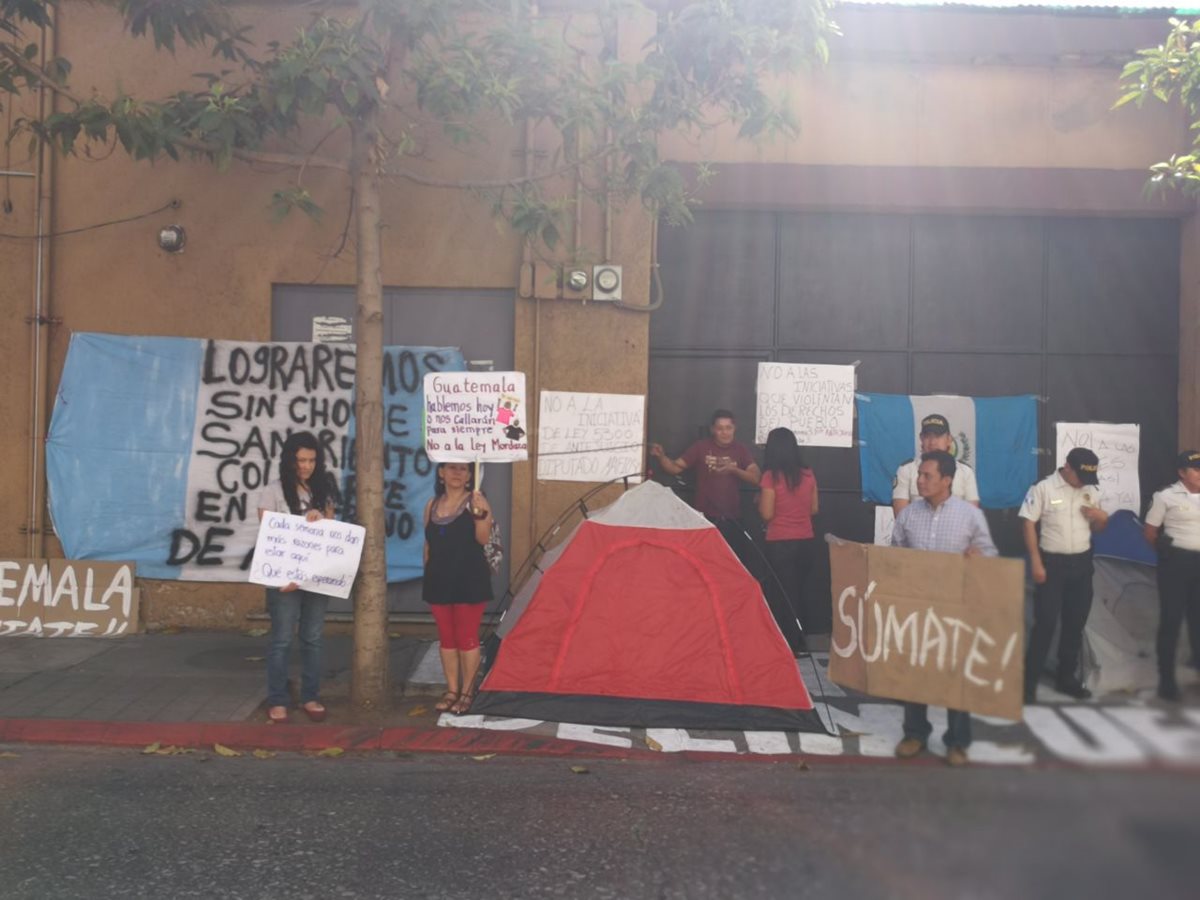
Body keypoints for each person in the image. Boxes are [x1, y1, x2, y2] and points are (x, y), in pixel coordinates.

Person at [891, 451, 998, 767]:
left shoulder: (969, 516)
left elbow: (990, 554)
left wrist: (979, 558)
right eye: (919, 475)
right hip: (918, 609)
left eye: (927, 476)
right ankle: (915, 733)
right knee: (915, 673)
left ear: (947, 481)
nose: (919, 481)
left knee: (956, 677)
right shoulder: (908, 516)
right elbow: (896, 556)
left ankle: (958, 741)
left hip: (956, 607)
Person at [257, 431, 341, 724]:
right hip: (284, 579)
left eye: (311, 460)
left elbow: (332, 535)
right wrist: (290, 573)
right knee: (281, 639)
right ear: (288, 461)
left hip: (316, 577)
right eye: (300, 460)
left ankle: (310, 696)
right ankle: (278, 699)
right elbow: (270, 536)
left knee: (313, 638)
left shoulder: (324, 490)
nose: (306, 466)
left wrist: (323, 520)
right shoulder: (273, 491)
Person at [1020, 447, 1108, 703]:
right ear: (1067, 467)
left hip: (1081, 564)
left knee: (1074, 624)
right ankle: (1028, 684)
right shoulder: (1043, 488)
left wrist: (1101, 517)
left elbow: (1099, 528)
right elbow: (1027, 523)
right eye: (1079, 475)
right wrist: (1036, 562)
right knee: (1044, 624)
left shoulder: (1091, 490)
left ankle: (1066, 678)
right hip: (1052, 564)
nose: (1082, 481)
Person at [423, 462, 494, 716]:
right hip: (438, 581)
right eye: (451, 468)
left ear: (469, 475)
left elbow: (483, 539)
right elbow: (428, 546)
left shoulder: (478, 502)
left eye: (463, 469)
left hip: (469, 581)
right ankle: (452, 690)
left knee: (467, 637)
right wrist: (428, 574)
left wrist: (480, 516)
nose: (457, 473)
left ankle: (467, 691)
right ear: (441, 472)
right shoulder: (431, 505)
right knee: (447, 638)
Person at [649, 409, 761, 565]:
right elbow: (674, 468)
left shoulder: (740, 450)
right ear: (713, 430)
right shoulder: (701, 447)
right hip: (705, 517)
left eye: (728, 428)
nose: (724, 432)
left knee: (730, 564)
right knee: (704, 563)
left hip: (733, 518)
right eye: (720, 428)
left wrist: (734, 469)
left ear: (734, 428)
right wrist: (661, 456)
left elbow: (755, 478)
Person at [1142, 450, 1200, 702]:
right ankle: (1166, 680)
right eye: (1196, 469)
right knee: (1171, 621)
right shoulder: (1165, 496)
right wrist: (1164, 553)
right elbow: (1150, 531)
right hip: (1176, 563)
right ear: (1181, 472)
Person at [757, 427, 819, 655]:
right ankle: (800, 641)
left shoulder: (770, 477)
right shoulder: (808, 474)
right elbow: (814, 508)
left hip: (779, 541)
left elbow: (766, 513)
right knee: (800, 592)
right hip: (806, 540)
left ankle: (785, 642)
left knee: (781, 595)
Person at [892, 413, 980, 515]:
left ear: (949, 439)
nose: (932, 442)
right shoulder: (906, 469)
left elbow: (972, 515)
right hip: (917, 529)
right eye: (928, 436)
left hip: (955, 529)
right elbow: (901, 516)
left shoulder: (966, 472)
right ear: (921, 438)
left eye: (938, 436)